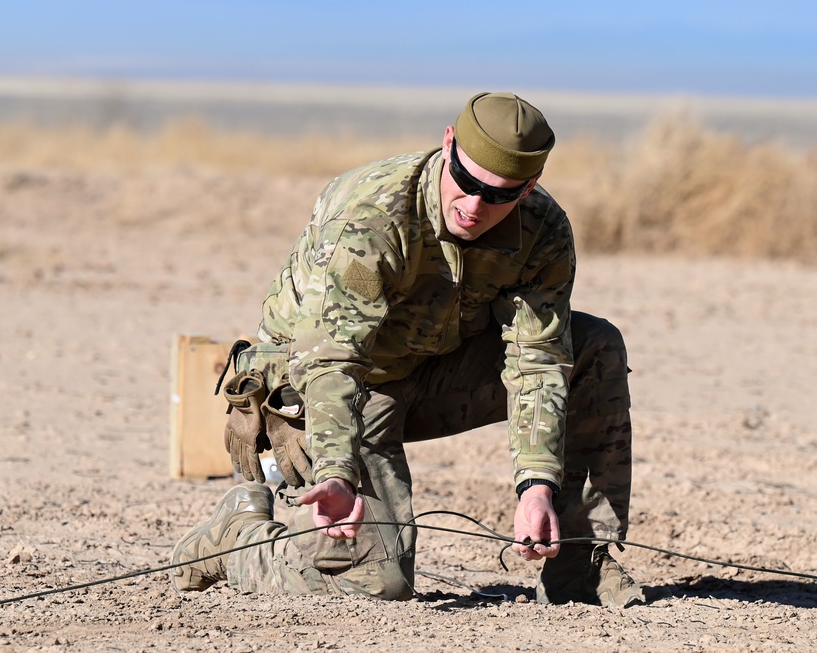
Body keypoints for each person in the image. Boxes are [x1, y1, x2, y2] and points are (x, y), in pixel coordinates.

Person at [170, 91, 644, 606]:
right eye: (465, 182)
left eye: (500, 195)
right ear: (448, 144)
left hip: (428, 371)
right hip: (326, 389)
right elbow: (332, 359)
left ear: (529, 187)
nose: (475, 206)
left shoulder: (543, 230)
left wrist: (537, 485)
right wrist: (336, 472)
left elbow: (538, 359)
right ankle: (236, 538)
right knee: (375, 582)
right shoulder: (374, 214)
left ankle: (577, 560)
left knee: (595, 346)